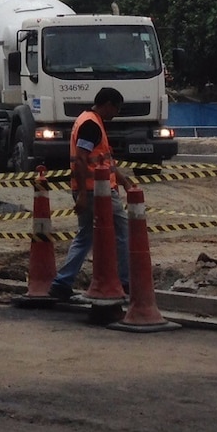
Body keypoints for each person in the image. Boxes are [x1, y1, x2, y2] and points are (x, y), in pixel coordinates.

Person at [48, 87, 133, 300]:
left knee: (85, 235)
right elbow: (81, 159)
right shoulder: (91, 125)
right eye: (116, 109)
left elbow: (104, 161)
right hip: (97, 192)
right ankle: (126, 281)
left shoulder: (88, 121)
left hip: (92, 190)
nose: (116, 114)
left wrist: (123, 181)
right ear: (107, 104)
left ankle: (62, 282)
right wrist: (85, 196)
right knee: (123, 231)